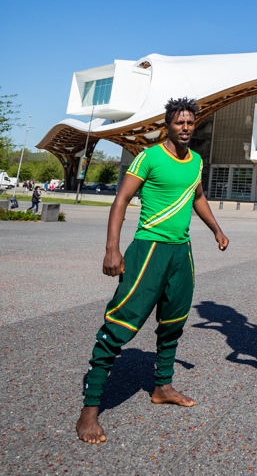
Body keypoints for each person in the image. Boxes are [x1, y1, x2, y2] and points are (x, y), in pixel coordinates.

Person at [76, 97, 230, 445]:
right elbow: (121, 200)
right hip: (149, 251)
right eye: (180, 123)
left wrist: (216, 230)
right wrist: (112, 248)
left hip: (181, 254)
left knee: (173, 323)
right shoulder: (149, 157)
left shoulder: (196, 161)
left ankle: (162, 386)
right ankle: (90, 408)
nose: (186, 128)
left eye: (190, 122)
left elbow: (198, 196)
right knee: (120, 325)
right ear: (168, 126)